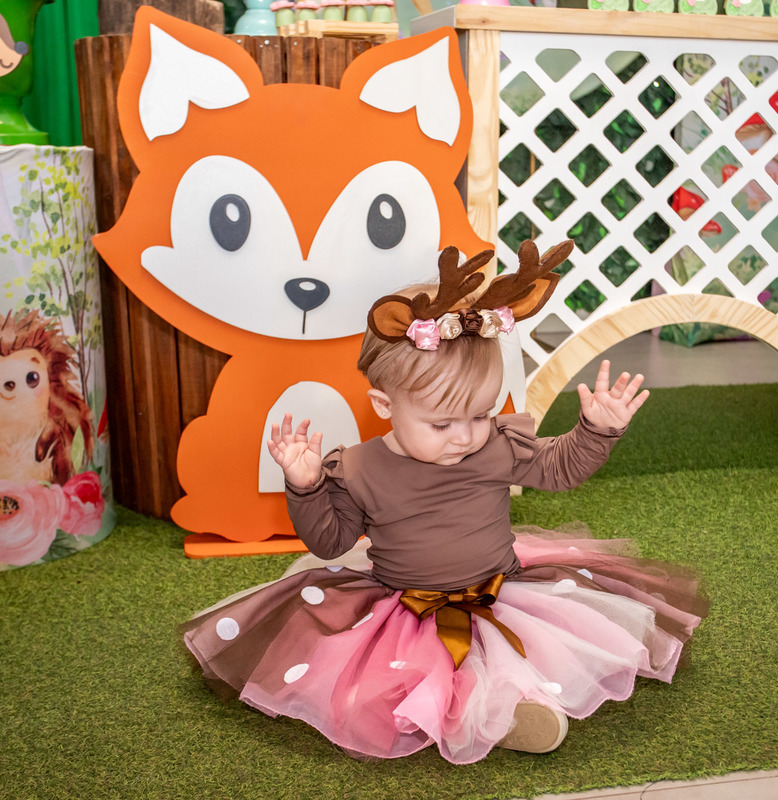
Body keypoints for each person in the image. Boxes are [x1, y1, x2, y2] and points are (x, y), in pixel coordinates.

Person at [181, 240, 707, 764]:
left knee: (519, 649)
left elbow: (559, 469)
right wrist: (306, 485)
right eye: (441, 424)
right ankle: (477, 714)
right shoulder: (360, 468)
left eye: (480, 414)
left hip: (503, 591)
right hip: (407, 606)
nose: (465, 435)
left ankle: (511, 706)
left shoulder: (496, 444)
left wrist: (595, 431)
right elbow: (331, 541)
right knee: (390, 680)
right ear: (384, 405)